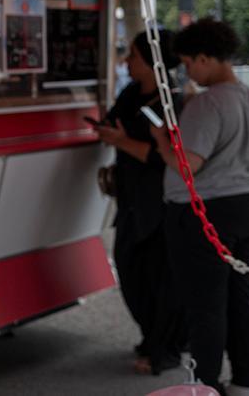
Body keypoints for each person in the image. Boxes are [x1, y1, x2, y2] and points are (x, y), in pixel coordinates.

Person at [151, 18, 249, 396]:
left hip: (205, 210)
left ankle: (205, 385)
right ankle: (246, 381)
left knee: (205, 305)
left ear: (204, 58)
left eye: (188, 62)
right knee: (241, 295)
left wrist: (162, 141)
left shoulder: (208, 102)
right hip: (247, 200)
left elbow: (189, 165)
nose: (188, 71)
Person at [95, 30, 184, 376]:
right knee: (130, 270)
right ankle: (152, 337)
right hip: (131, 198)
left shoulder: (172, 99)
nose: (126, 62)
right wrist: (107, 132)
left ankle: (165, 349)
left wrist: (121, 140)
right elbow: (112, 121)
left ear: (151, 61)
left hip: (161, 201)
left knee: (161, 280)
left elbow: (165, 157)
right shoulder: (132, 92)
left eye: (132, 55)